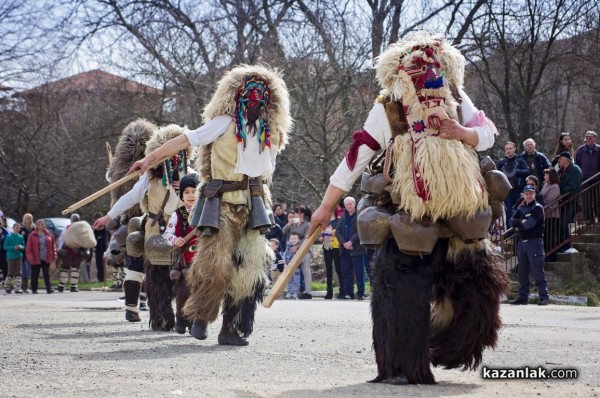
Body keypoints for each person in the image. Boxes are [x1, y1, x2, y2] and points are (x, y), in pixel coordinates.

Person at [309, 32, 508, 384]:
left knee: (460, 289)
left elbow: (487, 132)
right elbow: (359, 155)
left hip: (458, 215)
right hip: (411, 216)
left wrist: (462, 133)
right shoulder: (390, 105)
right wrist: (326, 207)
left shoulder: (456, 99)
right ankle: (403, 366)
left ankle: (418, 360)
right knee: (401, 287)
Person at [128, 65, 292, 345]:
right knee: (216, 265)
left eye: (261, 94)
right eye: (248, 94)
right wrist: (150, 159)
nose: (254, 99)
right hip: (222, 203)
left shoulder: (271, 134)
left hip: (252, 203)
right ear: (237, 97)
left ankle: (231, 328)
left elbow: (267, 172)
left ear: (270, 101)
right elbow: (186, 140)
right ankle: (201, 315)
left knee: (249, 270)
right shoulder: (223, 124)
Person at [94, 121, 190, 329]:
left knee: (185, 278)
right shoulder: (148, 178)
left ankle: (185, 319)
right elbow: (130, 197)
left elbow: (198, 200)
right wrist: (108, 216)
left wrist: (186, 187)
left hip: (184, 233)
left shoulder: (190, 176)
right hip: (156, 232)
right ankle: (161, 318)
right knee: (157, 279)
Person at [163, 173, 199, 334]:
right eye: (187, 192)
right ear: (181, 195)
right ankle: (181, 318)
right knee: (183, 291)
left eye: (194, 191)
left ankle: (194, 322)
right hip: (184, 261)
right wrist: (175, 240)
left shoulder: (206, 214)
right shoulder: (177, 214)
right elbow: (167, 235)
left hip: (202, 261)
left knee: (198, 292)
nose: (191, 195)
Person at [509, 185, 549, 305]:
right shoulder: (521, 207)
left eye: (531, 193)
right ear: (523, 195)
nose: (528, 195)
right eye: (526, 194)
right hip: (522, 243)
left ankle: (543, 297)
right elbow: (511, 221)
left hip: (535, 243)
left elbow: (529, 225)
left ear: (534, 194)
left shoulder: (538, 208)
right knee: (522, 272)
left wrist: (518, 226)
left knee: (538, 271)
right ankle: (523, 297)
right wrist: (521, 222)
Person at [336, 197, 368, 300]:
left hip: (357, 249)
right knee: (346, 272)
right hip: (344, 249)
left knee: (359, 273)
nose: (348, 206)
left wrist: (351, 241)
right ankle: (348, 293)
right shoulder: (342, 217)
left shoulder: (360, 216)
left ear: (354, 204)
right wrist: (344, 243)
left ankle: (361, 293)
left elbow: (360, 230)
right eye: (347, 205)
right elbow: (338, 232)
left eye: (350, 204)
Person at [282, 207, 313, 299]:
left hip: (305, 251)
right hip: (292, 253)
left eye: (297, 213)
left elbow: (307, 237)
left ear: (302, 214)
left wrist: (297, 246)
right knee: (291, 271)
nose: (295, 215)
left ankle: (308, 292)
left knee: (306, 271)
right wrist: (289, 224)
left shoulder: (308, 225)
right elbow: (284, 231)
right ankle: (291, 290)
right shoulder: (294, 224)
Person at [557, 151, 583, 252]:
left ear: (566, 159)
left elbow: (574, 186)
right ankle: (560, 246)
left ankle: (566, 246)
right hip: (561, 202)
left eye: (560, 158)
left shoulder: (575, 170)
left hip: (572, 200)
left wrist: (561, 192)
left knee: (564, 223)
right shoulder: (560, 171)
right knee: (559, 224)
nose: (559, 160)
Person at [496, 141, 530, 218]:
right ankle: (509, 229)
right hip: (507, 191)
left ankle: (519, 228)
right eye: (506, 149)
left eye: (510, 148)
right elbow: (495, 174)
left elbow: (527, 171)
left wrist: (516, 171)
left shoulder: (520, 160)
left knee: (520, 211)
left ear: (514, 149)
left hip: (519, 190)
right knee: (508, 213)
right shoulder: (501, 162)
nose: (508, 150)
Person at [56, 214, 87, 293]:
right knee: (75, 268)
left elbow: (62, 239)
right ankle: (73, 286)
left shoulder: (67, 227)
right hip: (77, 251)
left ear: (71, 220)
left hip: (68, 250)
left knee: (65, 268)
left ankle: (61, 286)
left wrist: (60, 249)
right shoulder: (82, 228)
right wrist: (85, 250)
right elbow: (85, 239)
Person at [575, 130, 600, 224]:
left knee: (598, 199)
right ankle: (589, 219)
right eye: (587, 138)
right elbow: (577, 164)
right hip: (584, 180)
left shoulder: (598, 149)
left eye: (590, 138)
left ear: (595, 139)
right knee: (586, 201)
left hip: (597, 180)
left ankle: (598, 217)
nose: (588, 140)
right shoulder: (581, 150)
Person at [26, 219, 57, 294]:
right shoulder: (32, 235)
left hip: (46, 258)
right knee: (34, 274)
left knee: (47, 274)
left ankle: (49, 288)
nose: (43, 225)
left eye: (44, 224)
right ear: (37, 226)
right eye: (41, 224)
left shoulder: (49, 234)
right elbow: (28, 248)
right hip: (35, 258)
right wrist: (31, 258)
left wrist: (54, 258)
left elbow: (53, 247)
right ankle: (34, 289)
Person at [320, 212, 342, 299]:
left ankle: (342, 290)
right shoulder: (324, 222)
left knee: (338, 268)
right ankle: (329, 291)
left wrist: (334, 233)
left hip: (336, 247)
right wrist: (322, 236)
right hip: (327, 246)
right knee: (328, 269)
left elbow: (339, 232)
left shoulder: (338, 220)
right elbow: (321, 236)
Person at [541, 168, 561, 261]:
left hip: (552, 214)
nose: (544, 176)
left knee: (551, 235)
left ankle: (552, 255)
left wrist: (540, 202)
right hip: (545, 214)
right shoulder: (545, 185)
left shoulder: (555, 186)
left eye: (546, 175)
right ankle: (547, 254)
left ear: (550, 176)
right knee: (545, 235)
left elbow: (549, 200)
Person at [3, 222, 25, 293]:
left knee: (19, 272)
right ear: (13, 228)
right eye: (16, 228)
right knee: (11, 272)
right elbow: (5, 246)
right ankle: (7, 286)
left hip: (19, 256)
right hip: (11, 256)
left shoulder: (21, 237)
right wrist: (13, 247)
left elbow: (24, 246)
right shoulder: (9, 237)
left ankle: (18, 287)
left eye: (18, 228)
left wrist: (21, 247)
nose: (17, 229)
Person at [283, 233, 302, 300]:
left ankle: (295, 293)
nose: (293, 240)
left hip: (296, 267)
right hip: (288, 266)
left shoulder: (300, 247)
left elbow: (301, 256)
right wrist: (285, 263)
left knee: (296, 280)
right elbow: (285, 255)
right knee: (289, 280)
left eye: (295, 239)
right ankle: (289, 292)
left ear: (298, 240)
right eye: (292, 239)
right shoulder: (288, 246)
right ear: (289, 239)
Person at [19, 213, 34, 293]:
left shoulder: (33, 228)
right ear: (24, 219)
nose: (28, 220)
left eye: (30, 218)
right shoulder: (22, 229)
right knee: (25, 269)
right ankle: (23, 286)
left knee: (29, 270)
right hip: (24, 251)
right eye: (27, 218)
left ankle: (26, 286)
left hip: (32, 251)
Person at [92, 212, 108, 283]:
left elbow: (103, 237)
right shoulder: (97, 227)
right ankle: (99, 277)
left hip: (102, 247)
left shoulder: (102, 227)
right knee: (98, 264)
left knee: (101, 264)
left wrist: (96, 239)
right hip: (98, 247)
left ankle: (101, 278)